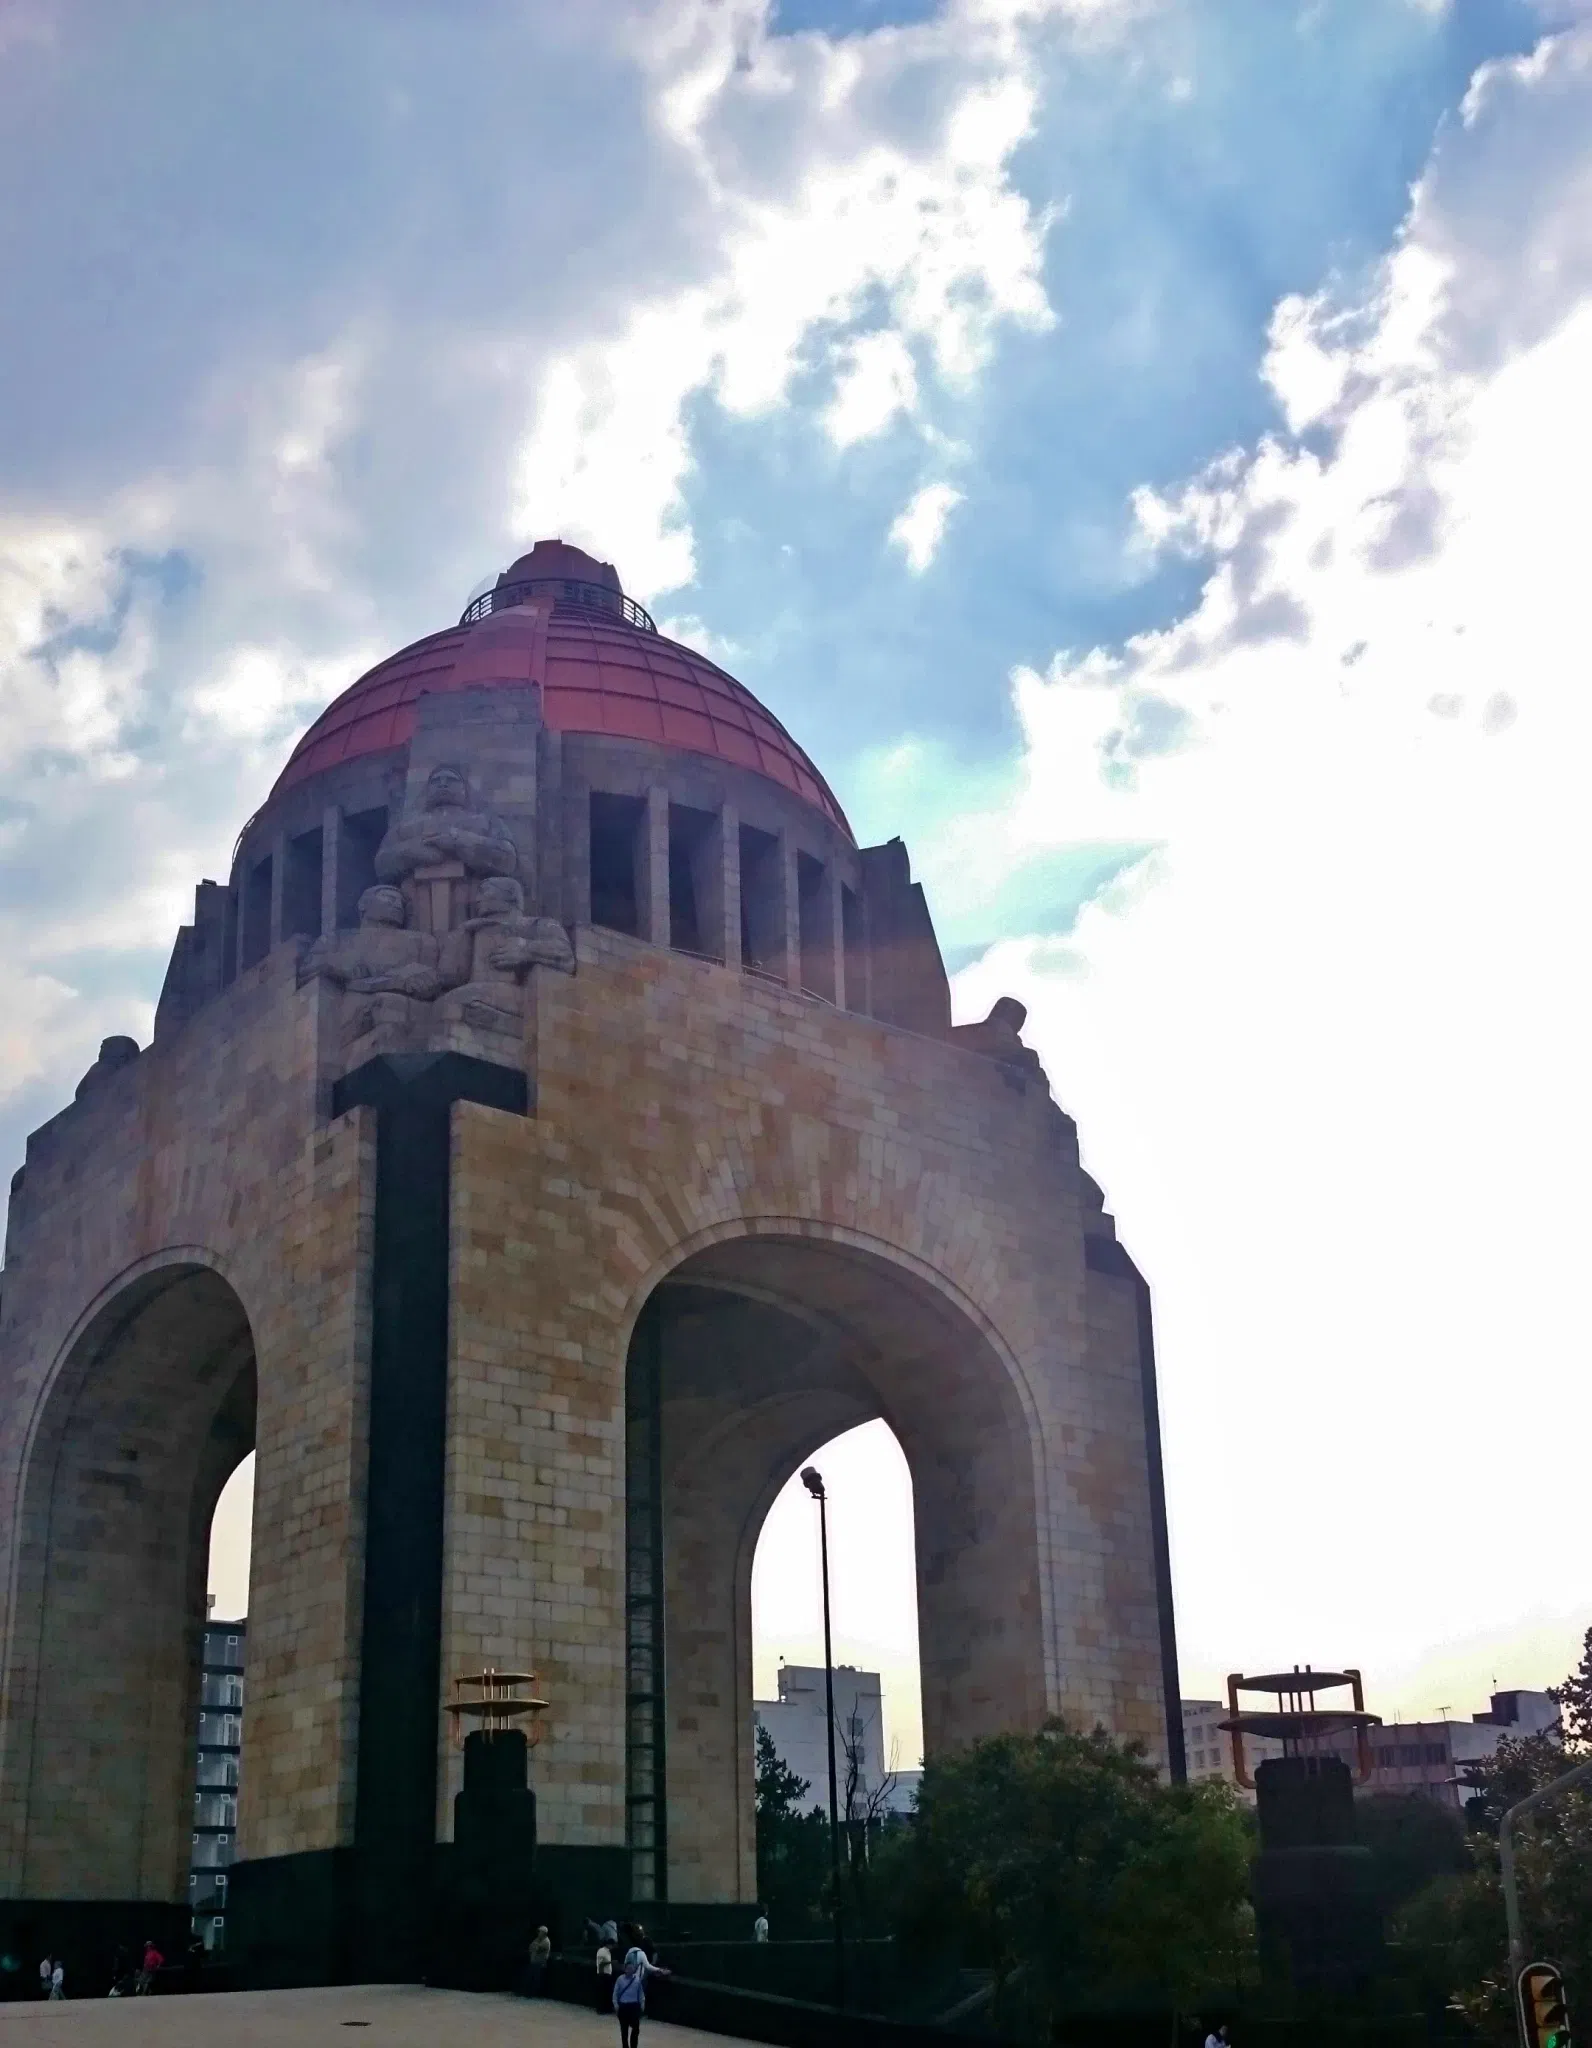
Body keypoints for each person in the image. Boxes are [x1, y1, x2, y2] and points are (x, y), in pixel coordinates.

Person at [612, 1944, 670, 2048]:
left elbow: (616, 1993)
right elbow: (648, 1967)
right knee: (634, 2028)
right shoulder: (641, 1954)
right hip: (632, 2003)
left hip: (625, 2005)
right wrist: (660, 1970)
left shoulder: (628, 1955)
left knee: (624, 2029)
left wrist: (616, 2005)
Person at [524, 1925, 552, 1997]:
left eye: (539, 1931)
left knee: (537, 1981)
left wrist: (535, 1946)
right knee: (530, 1979)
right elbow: (530, 1947)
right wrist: (534, 1946)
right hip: (533, 1963)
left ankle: (535, 1996)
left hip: (540, 1964)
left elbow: (536, 1949)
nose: (538, 1933)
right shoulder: (537, 1939)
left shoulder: (546, 1941)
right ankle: (529, 1994)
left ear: (543, 1933)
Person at [594, 1939, 614, 2014]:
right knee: (602, 1992)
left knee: (607, 1992)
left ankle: (606, 2008)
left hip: (607, 1974)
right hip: (603, 1974)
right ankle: (600, 2009)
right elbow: (601, 1963)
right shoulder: (602, 1951)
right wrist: (611, 1962)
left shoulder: (608, 1952)